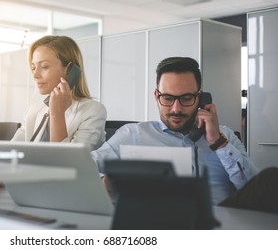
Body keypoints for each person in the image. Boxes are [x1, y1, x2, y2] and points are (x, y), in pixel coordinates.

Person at [91, 56, 278, 214]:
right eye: (168, 98)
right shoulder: (132, 135)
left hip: (220, 224)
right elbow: (84, 167)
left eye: (186, 98)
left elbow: (254, 191)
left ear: (200, 98)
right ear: (157, 96)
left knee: (270, 179)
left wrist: (218, 142)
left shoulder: (225, 136)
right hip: (157, 223)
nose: (176, 109)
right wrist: (104, 183)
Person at [11, 35, 106, 151]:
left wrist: (57, 114)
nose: (35, 75)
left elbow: (68, 163)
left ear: (70, 70)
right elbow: (10, 152)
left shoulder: (92, 111)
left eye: (44, 66)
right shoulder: (33, 111)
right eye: (33, 67)